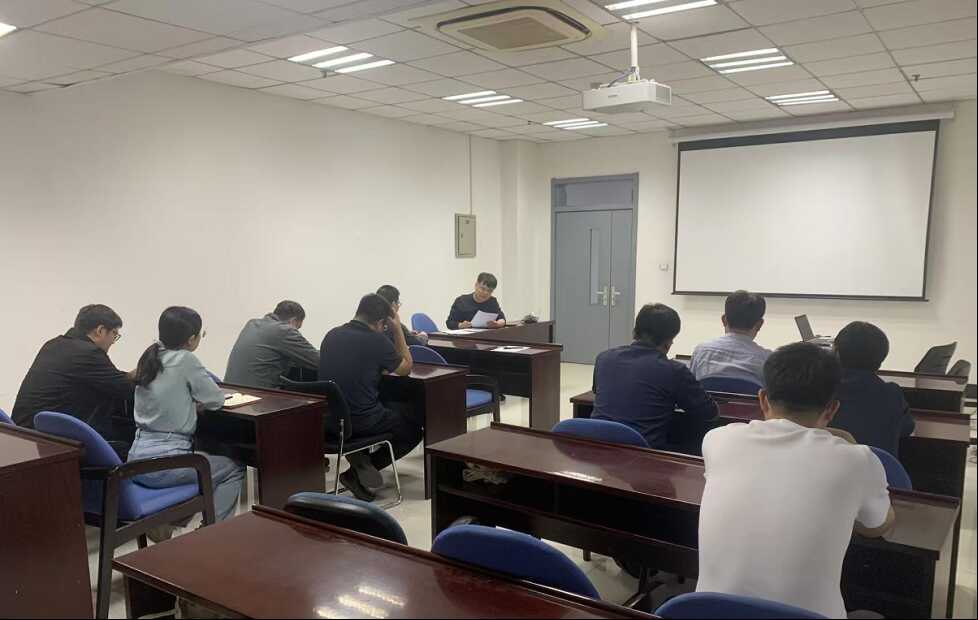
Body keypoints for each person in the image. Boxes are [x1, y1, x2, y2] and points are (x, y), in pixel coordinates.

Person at [697, 342, 894, 618]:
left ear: (763, 399)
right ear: (832, 409)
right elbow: (878, 526)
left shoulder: (717, 440)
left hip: (709, 612)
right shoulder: (857, 460)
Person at [127, 307, 245, 534]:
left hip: (135, 461)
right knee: (233, 468)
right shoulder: (185, 360)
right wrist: (196, 402)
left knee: (206, 462)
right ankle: (213, 535)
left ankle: (169, 522)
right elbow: (215, 400)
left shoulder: (150, 357)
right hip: (167, 464)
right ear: (191, 339)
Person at [319, 294, 420, 501]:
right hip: (361, 421)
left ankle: (360, 457)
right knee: (412, 429)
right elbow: (406, 368)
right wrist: (397, 330)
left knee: (388, 408)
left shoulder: (331, 335)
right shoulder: (376, 340)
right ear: (381, 322)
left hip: (329, 421)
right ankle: (355, 474)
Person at [592, 303, 718, 452]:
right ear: (668, 342)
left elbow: (597, 392)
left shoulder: (604, 358)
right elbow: (709, 413)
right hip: (643, 455)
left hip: (596, 448)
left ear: (635, 332)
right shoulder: (674, 371)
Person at [12, 304, 134, 443]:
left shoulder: (54, 344)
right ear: (100, 330)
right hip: (47, 442)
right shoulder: (88, 353)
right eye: (114, 334)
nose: (113, 341)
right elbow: (125, 389)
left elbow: (106, 377)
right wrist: (146, 373)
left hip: (19, 434)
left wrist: (131, 375)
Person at [830, 321, 915, 457]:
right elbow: (907, 427)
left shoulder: (822, 392)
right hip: (879, 468)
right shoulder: (892, 394)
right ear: (881, 358)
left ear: (836, 352)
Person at [224, 300, 319, 389]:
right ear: (293, 321)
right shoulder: (285, 330)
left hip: (229, 392)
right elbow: (317, 360)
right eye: (297, 328)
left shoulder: (252, 324)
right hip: (257, 396)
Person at [690, 290, 770, 387]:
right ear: (759, 324)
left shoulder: (701, 351)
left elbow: (691, 387)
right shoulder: (767, 360)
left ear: (724, 320)